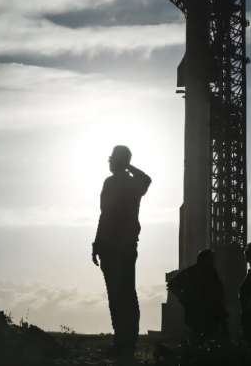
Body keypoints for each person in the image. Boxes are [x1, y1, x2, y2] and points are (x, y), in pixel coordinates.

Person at [92, 145, 151, 359]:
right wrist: (96, 243)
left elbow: (147, 179)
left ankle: (126, 343)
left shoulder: (128, 183)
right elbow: (104, 215)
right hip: (112, 247)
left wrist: (98, 244)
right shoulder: (119, 183)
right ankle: (123, 342)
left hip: (120, 247)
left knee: (122, 295)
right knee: (119, 295)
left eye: (112, 159)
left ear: (120, 161)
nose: (109, 163)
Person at [166, 249, 228, 341]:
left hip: (211, 317)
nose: (213, 262)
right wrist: (185, 299)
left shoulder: (212, 273)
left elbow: (218, 294)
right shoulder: (193, 272)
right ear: (204, 259)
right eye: (211, 259)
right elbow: (172, 284)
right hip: (197, 316)